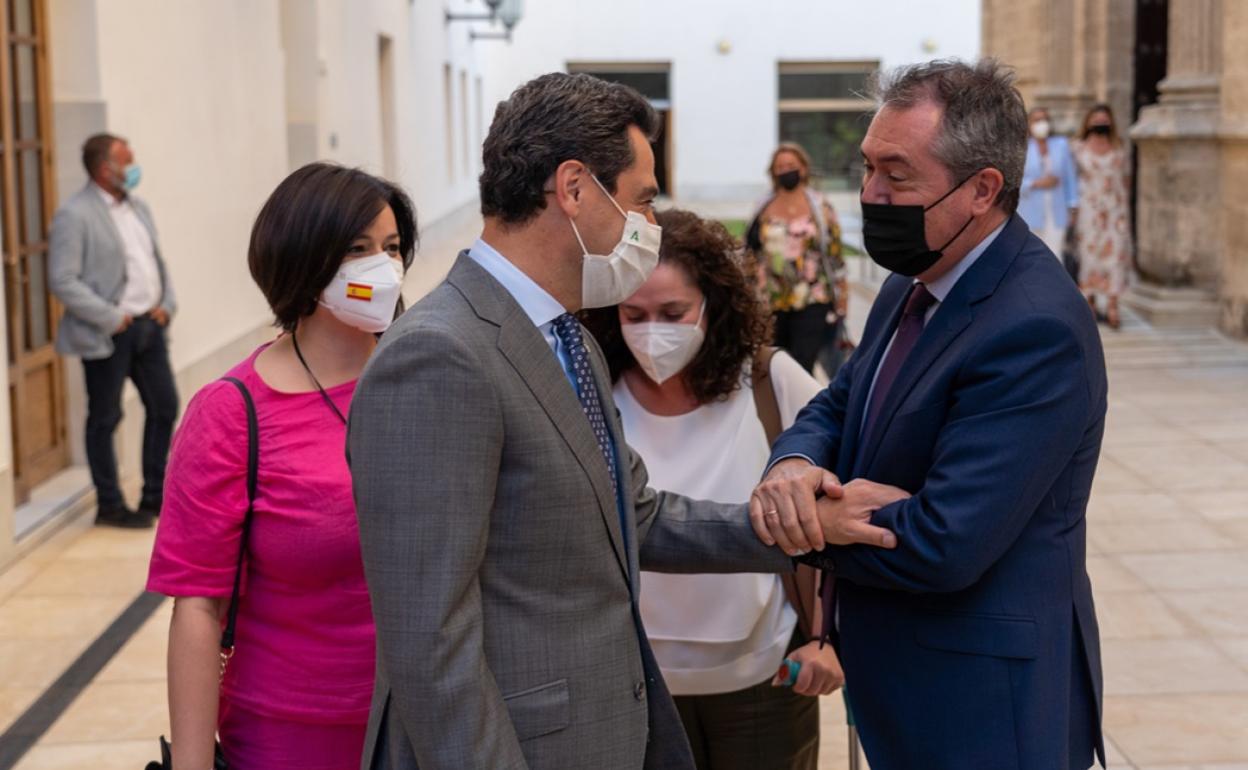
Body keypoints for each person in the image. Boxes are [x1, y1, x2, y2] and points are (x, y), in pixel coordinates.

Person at [347, 73, 898, 770]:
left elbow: (636, 516)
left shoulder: (568, 340)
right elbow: (428, 642)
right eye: (641, 199)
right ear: (574, 188)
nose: (650, 224)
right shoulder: (439, 355)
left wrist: (811, 526)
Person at [749, 59, 1108, 770]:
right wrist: (793, 464)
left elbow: (945, 538)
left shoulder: (1036, 326)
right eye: (867, 167)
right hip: (903, 681)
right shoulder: (915, 279)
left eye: (897, 175)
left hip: (982, 705)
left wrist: (815, 522)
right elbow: (842, 401)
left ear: (982, 189)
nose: (870, 193)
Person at [146, 163, 417, 770]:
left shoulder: (427, 378)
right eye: (357, 249)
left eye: (393, 247)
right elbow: (197, 608)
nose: (383, 267)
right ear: (303, 260)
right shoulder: (232, 412)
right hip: (291, 735)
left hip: (428, 720)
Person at [581, 208, 839, 770]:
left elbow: (839, 502)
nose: (653, 331)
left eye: (674, 313)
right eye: (634, 314)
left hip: (764, 679)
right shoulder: (592, 394)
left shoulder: (769, 382)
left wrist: (831, 638)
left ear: (714, 305)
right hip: (635, 686)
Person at [48, 134, 178, 529]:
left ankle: (154, 496)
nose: (134, 167)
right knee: (105, 417)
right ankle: (110, 505)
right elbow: (62, 279)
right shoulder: (75, 215)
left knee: (164, 406)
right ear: (106, 169)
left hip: (150, 327)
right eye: (128, 160)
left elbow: (156, 261)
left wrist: (167, 303)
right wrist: (111, 317)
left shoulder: (138, 207)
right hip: (109, 333)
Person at [745, 143, 848, 376]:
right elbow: (750, 251)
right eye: (780, 167)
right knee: (773, 365)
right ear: (773, 172)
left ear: (803, 168)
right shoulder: (763, 206)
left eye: (791, 165)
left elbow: (835, 254)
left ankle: (803, 400)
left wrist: (843, 297)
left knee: (802, 365)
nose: (786, 170)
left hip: (812, 297)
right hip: (770, 300)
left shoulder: (820, 207)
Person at [1073, 103, 1133, 329]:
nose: (1100, 123)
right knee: (1089, 255)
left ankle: (1112, 305)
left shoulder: (1119, 147)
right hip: (1088, 209)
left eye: (1104, 119)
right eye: (1096, 119)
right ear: (1088, 122)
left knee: (1115, 256)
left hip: (1115, 210)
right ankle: (1089, 302)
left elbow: (1126, 179)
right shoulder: (1077, 148)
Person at [1019, 106, 1079, 257]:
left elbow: (1070, 177)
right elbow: (1014, 181)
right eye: (1037, 120)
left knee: (1055, 254)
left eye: (1045, 119)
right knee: (1031, 255)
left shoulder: (1061, 145)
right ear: (1029, 123)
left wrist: (1073, 206)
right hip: (1029, 210)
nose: (1042, 123)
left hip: (1057, 210)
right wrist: (1036, 184)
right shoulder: (1021, 148)